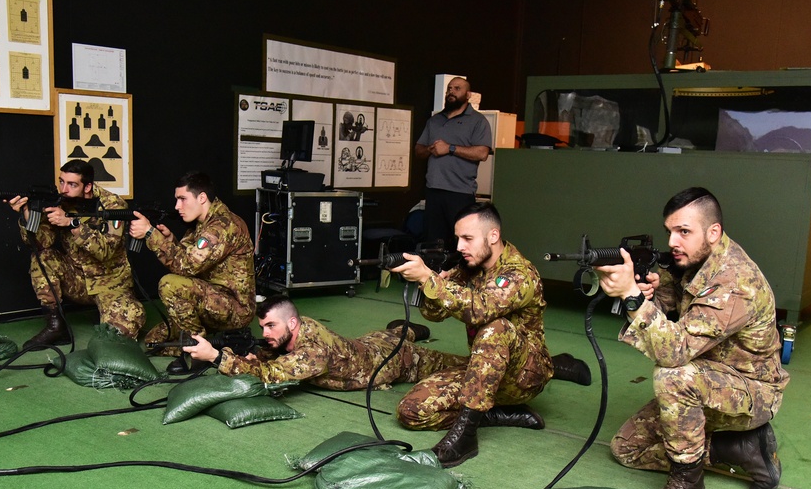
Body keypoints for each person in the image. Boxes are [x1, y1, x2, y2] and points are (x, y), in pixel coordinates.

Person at [595, 187, 789, 489]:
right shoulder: (696, 262)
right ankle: (739, 448)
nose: (673, 241)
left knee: (672, 375)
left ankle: (689, 485)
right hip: (710, 377)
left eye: (684, 231)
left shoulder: (734, 280)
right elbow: (672, 310)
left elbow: (675, 351)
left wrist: (631, 296)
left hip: (750, 389)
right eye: (670, 231)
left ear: (713, 232)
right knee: (626, 448)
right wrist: (651, 292)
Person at [392, 202, 591, 468]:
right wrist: (433, 280)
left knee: (496, 327)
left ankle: (465, 437)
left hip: (521, 378)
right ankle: (494, 414)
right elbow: (434, 315)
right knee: (411, 412)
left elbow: (481, 310)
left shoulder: (518, 273)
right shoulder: (470, 267)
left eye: (468, 239)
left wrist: (430, 280)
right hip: (485, 371)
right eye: (458, 238)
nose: (460, 246)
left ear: (493, 236)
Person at [182, 294, 466, 391]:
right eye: (263, 327)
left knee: (459, 366)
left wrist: (216, 357)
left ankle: (406, 332)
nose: (266, 333)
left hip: (391, 360)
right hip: (364, 344)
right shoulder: (295, 328)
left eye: (271, 326)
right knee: (388, 334)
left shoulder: (314, 352)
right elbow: (273, 353)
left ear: (292, 323)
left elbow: (271, 376)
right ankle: (403, 328)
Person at [8, 159, 145, 348]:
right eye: (61, 181)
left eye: (72, 184)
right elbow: (43, 243)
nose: (64, 189)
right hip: (77, 281)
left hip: (111, 284)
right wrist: (27, 214)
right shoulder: (62, 202)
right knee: (43, 257)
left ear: (88, 186)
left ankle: (114, 314)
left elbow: (105, 251)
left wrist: (72, 224)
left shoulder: (113, 205)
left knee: (119, 336)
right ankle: (56, 327)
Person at [129, 171, 255, 374]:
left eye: (182, 199)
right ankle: (216, 345)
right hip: (210, 301)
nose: (177, 206)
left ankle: (197, 353)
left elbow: (186, 266)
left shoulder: (222, 226)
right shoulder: (202, 224)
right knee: (155, 340)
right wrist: (170, 241)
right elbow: (187, 256)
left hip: (233, 307)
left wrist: (151, 234)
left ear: (202, 197)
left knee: (169, 284)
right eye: (176, 200)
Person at [415, 77, 492, 249]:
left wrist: (449, 148)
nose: (451, 92)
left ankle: (460, 276)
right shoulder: (434, 120)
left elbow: (482, 153)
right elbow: (418, 151)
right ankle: (433, 275)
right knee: (432, 244)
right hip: (433, 191)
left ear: (468, 94)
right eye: (449, 89)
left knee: (462, 243)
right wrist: (430, 149)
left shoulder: (478, 121)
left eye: (457, 88)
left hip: (460, 193)